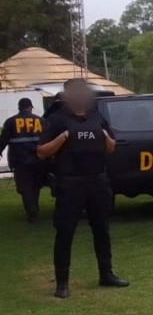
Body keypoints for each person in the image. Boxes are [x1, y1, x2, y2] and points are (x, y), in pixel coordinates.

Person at [37, 79, 129, 299]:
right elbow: (42, 152)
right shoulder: (57, 119)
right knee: (65, 233)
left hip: (97, 181)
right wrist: (63, 137)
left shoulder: (97, 116)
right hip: (70, 183)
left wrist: (107, 139)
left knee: (102, 230)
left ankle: (106, 274)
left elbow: (110, 147)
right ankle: (62, 283)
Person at [0, 98, 47, 222]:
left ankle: (31, 211)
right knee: (35, 185)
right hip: (39, 159)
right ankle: (34, 209)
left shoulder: (10, 122)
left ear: (19, 107)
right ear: (30, 107)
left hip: (19, 160)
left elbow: (3, 140)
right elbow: (47, 139)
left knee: (24, 187)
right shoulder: (40, 120)